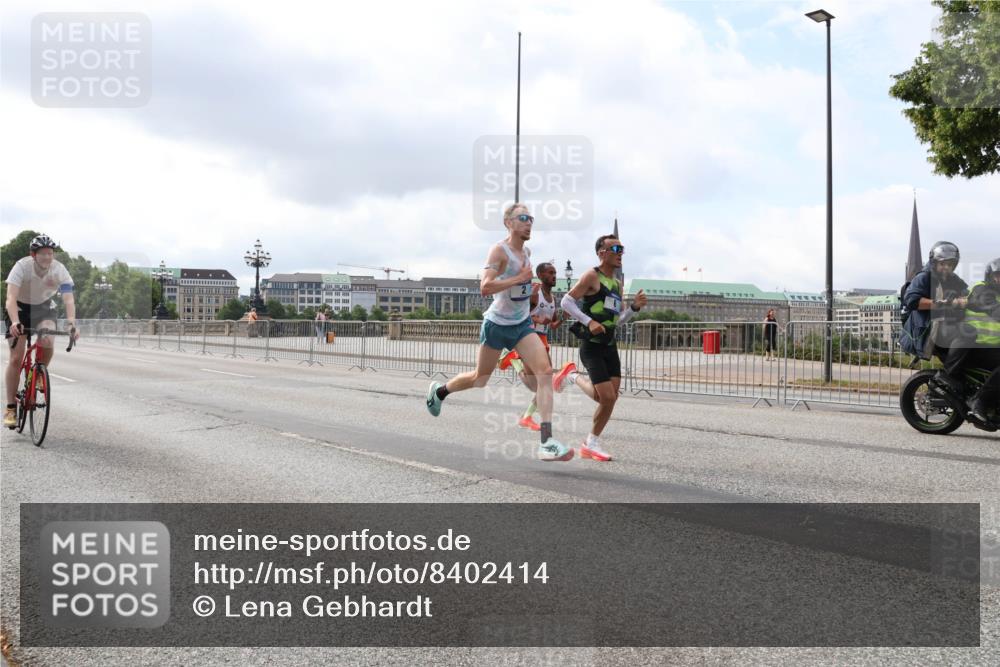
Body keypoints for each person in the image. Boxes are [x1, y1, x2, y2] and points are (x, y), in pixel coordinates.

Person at [425, 204, 572, 462]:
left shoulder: (526, 251)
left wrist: (528, 287)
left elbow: (522, 288)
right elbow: (485, 287)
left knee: (545, 373)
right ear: (508, 222)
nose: (529, 223)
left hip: (521, 326)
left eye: (531, 219)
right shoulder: (499, 250)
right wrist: (518, 279)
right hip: (496, 325)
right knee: (480, 379)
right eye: (523, 218)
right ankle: (439, 391)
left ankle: (547, 442)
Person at [556, 235, 647, 462]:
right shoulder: (592, 276)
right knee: (606, 397)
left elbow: (617, 320)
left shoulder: (617, 283)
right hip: (592, 345)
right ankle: (573, 378)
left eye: (622, 249)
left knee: (609, 397)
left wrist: (634, 308)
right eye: (615, 248)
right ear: (601, 252)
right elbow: (566, 301)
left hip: (610, 344)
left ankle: (590, 441)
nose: (620, 253)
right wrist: (589, 322)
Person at [4, 235, 79, 428]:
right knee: (15, 357)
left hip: (44, 307)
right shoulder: (22, 266)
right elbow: (10, 298)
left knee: (48, 339)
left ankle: (39, 372)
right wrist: (14, 322)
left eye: (50, 253)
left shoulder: (59, 269)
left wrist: (71, 323)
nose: (47, 257)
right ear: (33, 255)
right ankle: (11, 407)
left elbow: (68, 298)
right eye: (43, 254)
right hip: (19, 308)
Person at [497, 262, 565, 431]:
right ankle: (528, 417)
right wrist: (537, 320)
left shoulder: (553, 299)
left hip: (543, 339)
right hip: (529, 337)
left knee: (542, 383)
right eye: (550, 272)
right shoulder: (535, 293)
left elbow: (554, 324)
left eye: (555, 272)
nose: (554, 276)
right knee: (544, 382)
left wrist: (563, 318)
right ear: (541, 275)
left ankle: (513, 360)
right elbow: (520, 313)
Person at [903, 241, 970, 399]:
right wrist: (950, 303)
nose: (947, 267)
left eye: (950, 264)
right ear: (934, 263)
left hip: (944, 327)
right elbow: (912, 301)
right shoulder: (924, 277)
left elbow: (968, 294)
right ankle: (947, 378)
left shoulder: (953, 279)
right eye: (943, 264)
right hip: (928, 330)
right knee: (966, 335)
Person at [964, 257, 1000, 423]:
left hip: (991, 346)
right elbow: (994, 310)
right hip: (974, 345)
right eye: (998, 275)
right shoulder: (981, 290)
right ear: (990, 276)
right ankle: (980, 401)